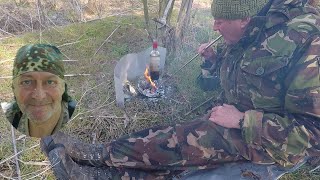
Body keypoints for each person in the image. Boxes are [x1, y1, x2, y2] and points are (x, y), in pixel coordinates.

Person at [41, 0, 320, 179]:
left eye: (220, 22)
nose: (214, 27)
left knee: (180, 142)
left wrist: (241, 120)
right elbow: (220, 82)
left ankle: (96, 159)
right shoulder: (255, 28)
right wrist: (212, 64)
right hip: (238, 120)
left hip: (272, 142)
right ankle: (94, 166)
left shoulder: (306, 40)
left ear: (243, 19)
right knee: (179, 148)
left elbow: (313, 136)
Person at [2, 44, 76, 138]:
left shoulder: (79, 120)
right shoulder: (9, 117)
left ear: (63, 87)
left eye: (50, 82)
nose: (39, 95)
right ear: (13, 88)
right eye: (27, 82)